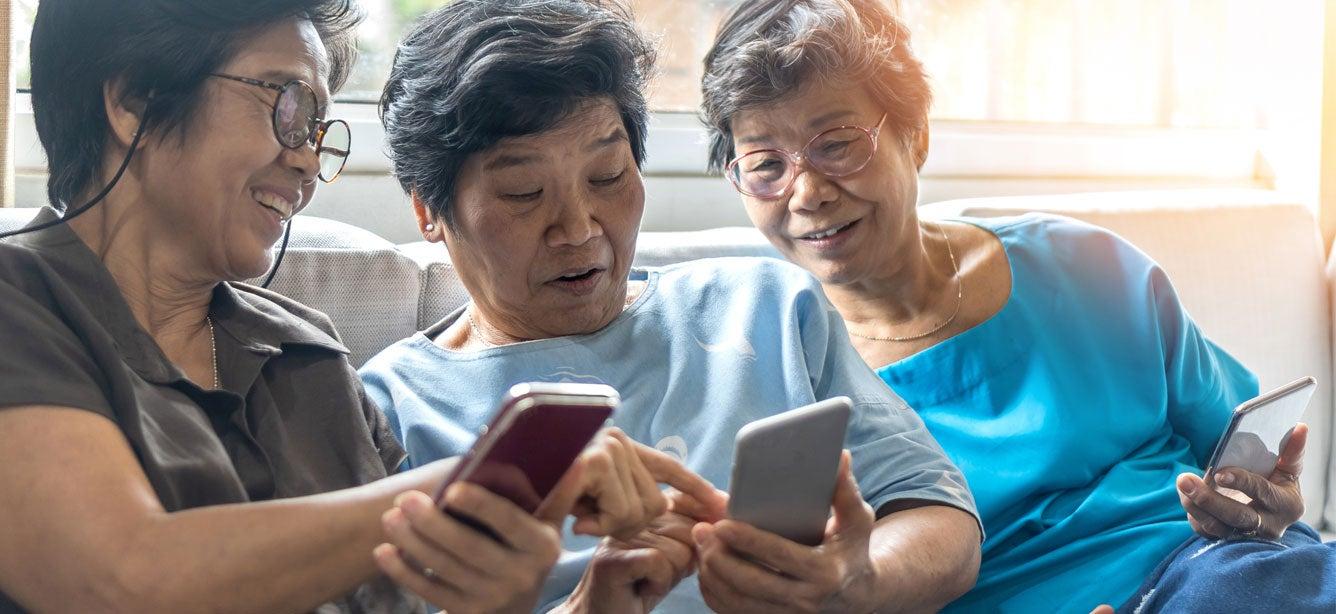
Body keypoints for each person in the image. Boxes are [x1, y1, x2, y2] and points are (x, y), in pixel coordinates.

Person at [0, 1, 704, 612]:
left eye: (317, 131)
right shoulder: (22, 299)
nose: (307, 163)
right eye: (287, 108)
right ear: (137, 101)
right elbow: (118, 583)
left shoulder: (307, 353)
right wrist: (466, 485)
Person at [701, 0, 1336, 611]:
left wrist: (1267, 506)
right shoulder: (785, 377)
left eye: (835, 144)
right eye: (764, 164)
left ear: (914, 135)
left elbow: (1238, 452)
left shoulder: (1086, 266)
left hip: (1226, 574)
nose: (806, 193)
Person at [360, 0, 984, 612]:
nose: (578, 229)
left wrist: (855, 584)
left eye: (607, 176)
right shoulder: (390, 407)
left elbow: (937, 511)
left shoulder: (765, 306)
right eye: (524, 193)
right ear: (428, 212)